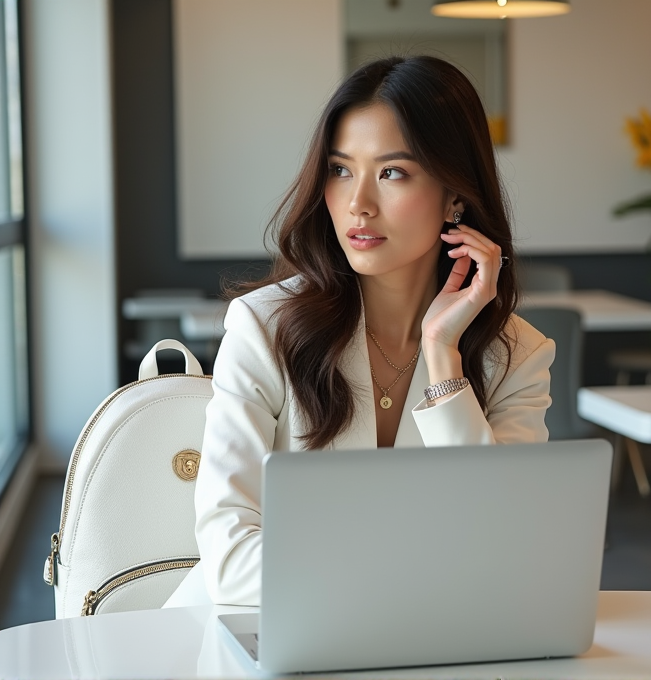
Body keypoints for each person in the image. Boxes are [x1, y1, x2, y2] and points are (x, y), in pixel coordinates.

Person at [165, 55, 555, 608]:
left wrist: (443, 358)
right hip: (243, 639)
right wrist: (405, 584)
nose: (358, 204)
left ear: (455, 196)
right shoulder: (263, 328)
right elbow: (229, 562)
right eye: (341, 169)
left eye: (392, 172)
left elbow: (502, 546)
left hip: (419, 650)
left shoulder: (518, 358)